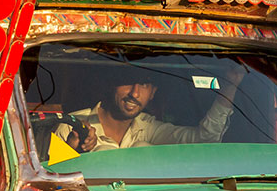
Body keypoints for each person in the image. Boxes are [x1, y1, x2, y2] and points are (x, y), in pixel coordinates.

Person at [62, 64, 246, 151]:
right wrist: (73, 150)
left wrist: (231, 86)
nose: (134, 94)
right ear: (112, 85)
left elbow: (204, 139)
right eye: (127, 83)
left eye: (143, 85)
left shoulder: (147, 129)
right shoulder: (71, 125)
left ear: (152, 93)